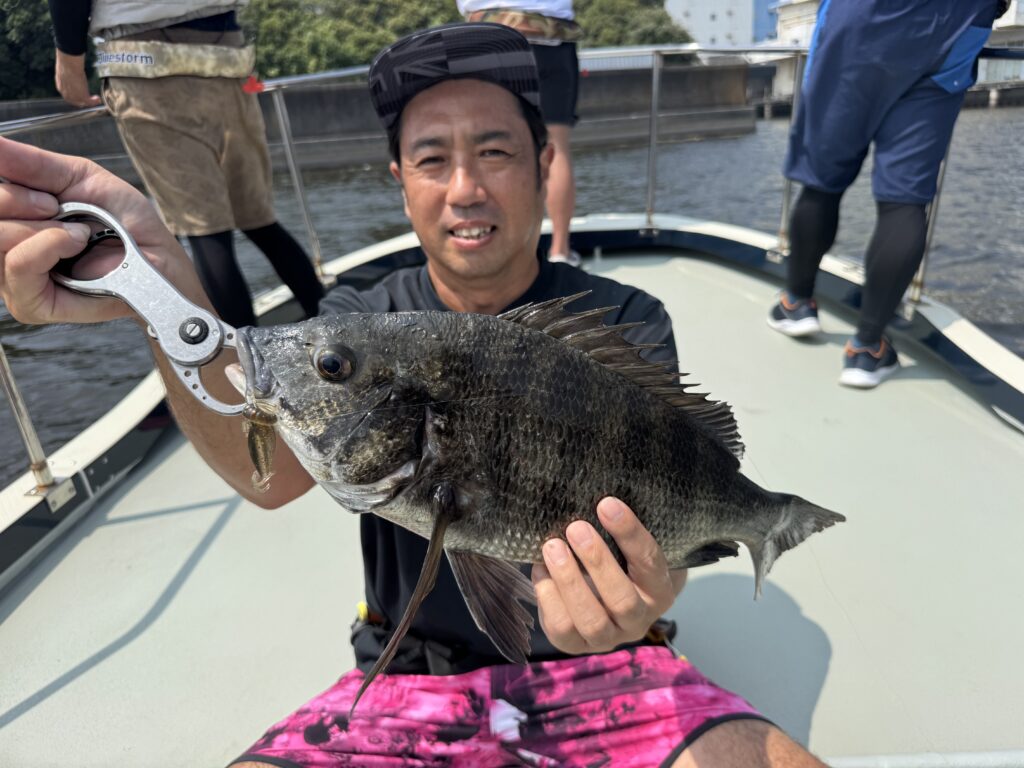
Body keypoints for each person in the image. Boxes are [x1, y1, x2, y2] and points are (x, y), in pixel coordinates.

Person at [0, 23, 827, 768]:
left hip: (613, 665)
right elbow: (269, 476)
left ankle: (764, 531)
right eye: (432, 159)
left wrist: (646, 599)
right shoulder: (361, 318)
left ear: (545, 166)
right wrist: (153, 292)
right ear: (400, 182)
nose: (464, 187)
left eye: (495, 152)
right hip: (406, 675)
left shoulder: (623, 321)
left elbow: (666, 533)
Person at [768, 0, 1005, 389]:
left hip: (863, 18)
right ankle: (866, 349)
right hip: (958, 21)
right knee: (905, 200)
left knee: (821, 181)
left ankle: (796, 305)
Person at [47, 0, 324, 329]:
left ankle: (247, 360)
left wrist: (69, 62)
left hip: (144, 62)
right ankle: (336, 330)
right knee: (260, 223)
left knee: (205, 231)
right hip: (227, 50)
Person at [458, 1, 582, 267]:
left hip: (489, 38)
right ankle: (560, 251)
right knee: (556, 147)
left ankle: (505, 249)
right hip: (552, 38)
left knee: (491, 147)